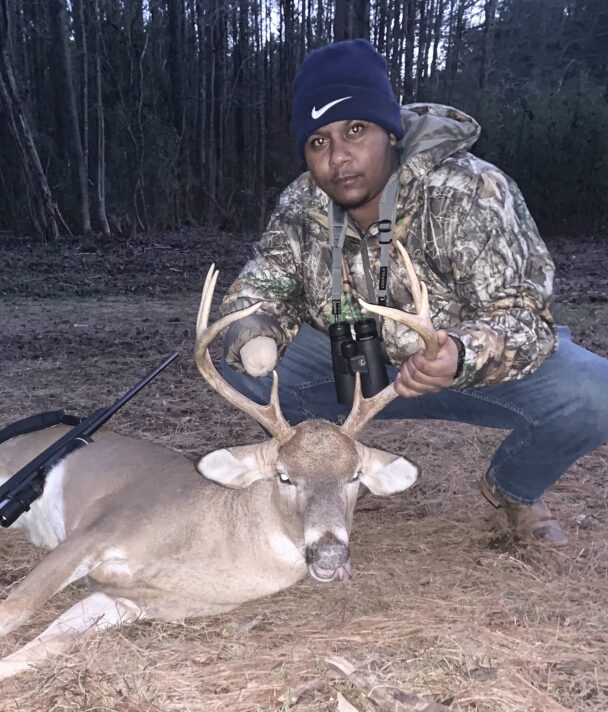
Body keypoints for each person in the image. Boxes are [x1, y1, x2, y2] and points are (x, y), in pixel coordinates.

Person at [219, 39, 608, 546]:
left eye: (354, 130)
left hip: (465, 370)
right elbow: (264, 282)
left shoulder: (469, 191)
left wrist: (461, 354)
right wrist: (254, 330)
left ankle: (514, 487)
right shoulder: (301, 204)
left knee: (597, 394)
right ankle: (317, 479)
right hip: (354, 375)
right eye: (318, 141)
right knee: (238, 364)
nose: (338, 157)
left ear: (390, 129)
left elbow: (524, 312)